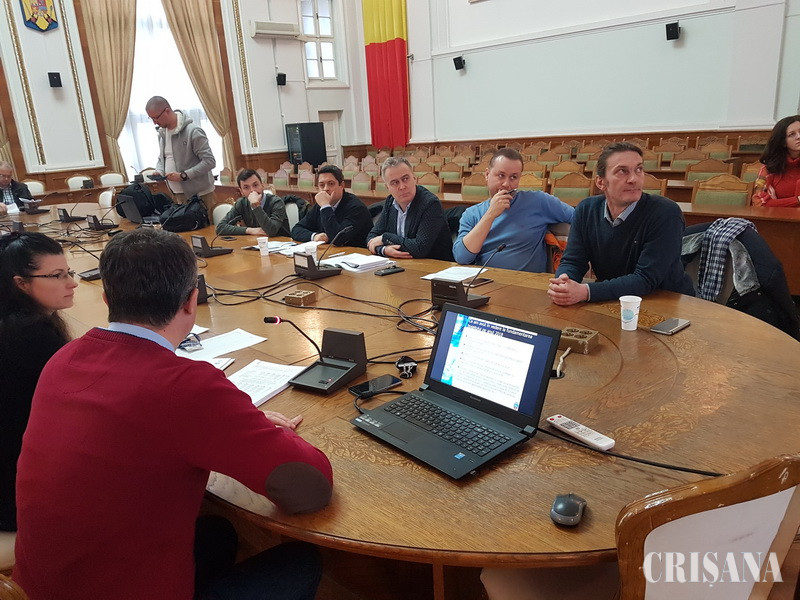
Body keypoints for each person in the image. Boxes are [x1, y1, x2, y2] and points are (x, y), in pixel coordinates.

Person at [13, 228, 333, 600]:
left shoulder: (64, 357)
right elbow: (309, 489)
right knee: (302, 562)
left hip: (42, 585)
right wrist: (281, 434)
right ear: (191, 301)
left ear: (106, 297)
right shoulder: (185, 386)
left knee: (219, 532)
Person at [548, 142, 695, 305]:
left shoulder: (665, 212)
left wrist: (585, 292)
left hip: (666, 302)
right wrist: (563, 282)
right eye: (622, 171)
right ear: (601, 182)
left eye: (639, 169)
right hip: (612, 300)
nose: (633, 179)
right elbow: (573, 261)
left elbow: (646, 279)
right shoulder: (586, 209)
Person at [0, 233, 76, 532]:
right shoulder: (29, 336)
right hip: (19, 498)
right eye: (57, 275)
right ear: (21, 283)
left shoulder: (17, 323)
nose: (72, 283)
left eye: (68, 272)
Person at [453, 148, 574, 272]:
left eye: (513, 177)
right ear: (487, 175)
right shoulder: (472, 214)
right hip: (485, 280)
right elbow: (462, 257)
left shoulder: (538, 201)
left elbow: (579, 217)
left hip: (527, 281)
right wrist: (490, 214)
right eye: (501, 175)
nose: (506, 184)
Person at [366, 157, 453, 261]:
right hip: (402, 264)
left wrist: (386, 238)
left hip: (435, 265)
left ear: (414, 178)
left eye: (405, 179)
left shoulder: (430, 204)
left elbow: (420, 248)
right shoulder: (390, 202)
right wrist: (384, 250)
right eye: (395, 182)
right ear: (387, 187)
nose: (402, 186)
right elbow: (372, 237)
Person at [145, 96, 216, 206]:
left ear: (167, 111)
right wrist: (159, 171)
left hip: (200, 195)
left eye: (156, 118)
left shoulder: (193, 131)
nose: (154, 122)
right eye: (151, 119)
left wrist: (184, 175)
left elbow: (209, 162)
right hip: (177, 194)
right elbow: (162, 158)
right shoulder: (162, 133)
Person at [291, 164, 372, 247]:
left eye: (331, 184)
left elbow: (338, 239)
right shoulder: (320, 204)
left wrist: (325, 206)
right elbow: (296, 229)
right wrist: (314, 236)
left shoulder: (356, 208)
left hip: (356, 252)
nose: (325, 189)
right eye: (322, 185)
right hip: (331, 252)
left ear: (342, 185)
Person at [215, 169, 290, 236]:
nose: (252, 190)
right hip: (256, 243)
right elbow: (220, 227)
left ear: (262, 185)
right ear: (241, 192)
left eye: (255, 185)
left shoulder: (276, 202)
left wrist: (256, 206)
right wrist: (250, 230)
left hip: (281, 244)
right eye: (246, 187)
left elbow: (271, 231)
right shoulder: (241, 203)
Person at [752, 115, 800, 207]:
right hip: (777, 216)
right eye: (792, 134)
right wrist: (797, 200)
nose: (799, 136)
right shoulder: (769, 168)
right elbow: (758, 202)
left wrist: (776, 203)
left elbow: (767, 204)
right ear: (783, 142)